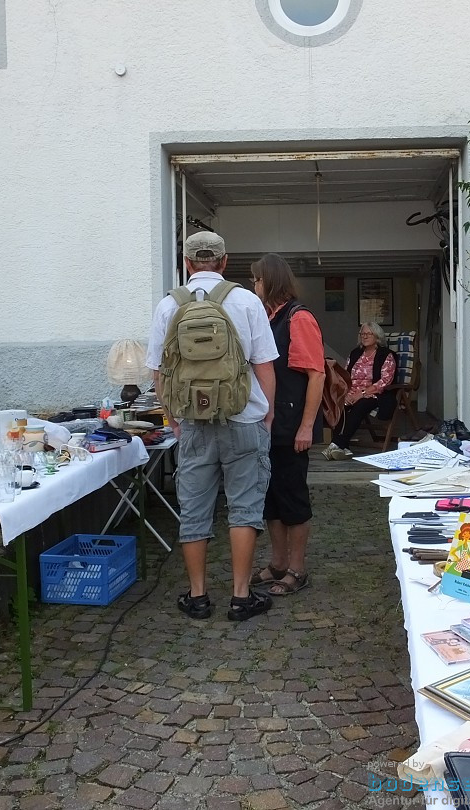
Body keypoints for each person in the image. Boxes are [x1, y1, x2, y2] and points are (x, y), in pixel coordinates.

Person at [146, 230, 278, 622]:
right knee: (243, 508)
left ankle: (198, 595)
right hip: (243, 419)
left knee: (195, 509)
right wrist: (266, 415)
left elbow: (158, 372)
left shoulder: (169, 305)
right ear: (224, 262)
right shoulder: (246, 300)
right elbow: (265, 365)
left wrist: (174, 420)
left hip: (194, 424)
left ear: (187, 264)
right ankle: (240, 596)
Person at [248, 253, 325, 597]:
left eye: (258, 279)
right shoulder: (268, 318)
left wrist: (306, 427)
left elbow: (316, 374)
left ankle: (298, 568)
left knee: (292, 497)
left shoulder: (298, 318)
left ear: (272, 281)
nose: (254, 285)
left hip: (292, 423)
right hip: (268, 424)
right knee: (271, 498)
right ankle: (278, 563)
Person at [322, 321, 397, 460]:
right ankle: (344, 448)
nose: (364, 336)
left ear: (377, 337)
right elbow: (346, 375)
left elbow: (385, 381)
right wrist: (345, 393)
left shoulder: (386, 355)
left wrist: (361, 394)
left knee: (359, 405)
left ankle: (336, 444)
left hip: (374, 395)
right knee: (339, 406)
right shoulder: (355, 353)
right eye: (362, 333)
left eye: (368, 333)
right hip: (352, 392)